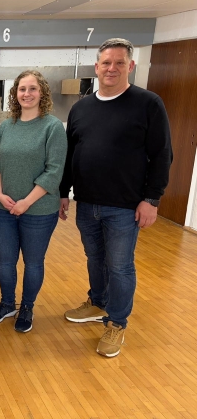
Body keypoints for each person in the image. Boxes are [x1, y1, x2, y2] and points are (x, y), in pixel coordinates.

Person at [59, 38, 172, 357]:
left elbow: (162, 154)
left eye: (119, 63)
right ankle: (98, 303)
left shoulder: (148, 103)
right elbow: (71, 154)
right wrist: (63, 192)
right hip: (87, 202)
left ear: (130, 66)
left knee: (120, 266)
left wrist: (152, 199)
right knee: (95, 258)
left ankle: (117, 322)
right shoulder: (81, 107)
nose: (112, 68)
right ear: (96, 67)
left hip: (125, 205)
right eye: (106, 63)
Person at [0, 70, 66, 333]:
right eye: (22, 89)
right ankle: (7, 304)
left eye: (32, 89)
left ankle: (27, 307)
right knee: (5, 261)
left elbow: (53, 172)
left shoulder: (52, 127)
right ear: (15, 93)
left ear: (42, 93)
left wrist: (26, 202)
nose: (27, 94)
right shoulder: (7, 126)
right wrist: (0, 194)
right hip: (4, 209)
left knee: (33, 263)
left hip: (39, 210)